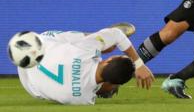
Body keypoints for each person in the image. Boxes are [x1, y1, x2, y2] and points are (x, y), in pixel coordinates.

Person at [17, 23, 154, 105]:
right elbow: (93, 85)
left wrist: (139, 64)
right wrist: (108, 85)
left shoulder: (85, 51)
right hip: (30, 84)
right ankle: (102, 41)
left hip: (32, 50)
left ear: (108, 60)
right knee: (84, 47)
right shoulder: (84, 100)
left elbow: (117, 34)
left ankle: (100, 39)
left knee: (80, 41)